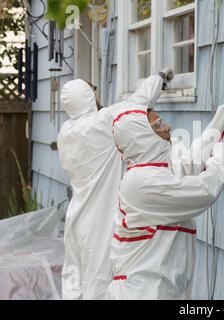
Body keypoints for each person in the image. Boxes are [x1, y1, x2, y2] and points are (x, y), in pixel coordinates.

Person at [106, 69, 224, 300]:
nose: (168, 127)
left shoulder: (155, 168)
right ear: (143, 137)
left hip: (158, 288)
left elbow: (192, 163)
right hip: (141, 292)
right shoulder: (141, 183)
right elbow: (204, 190)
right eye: (158, 125)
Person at [57, 69, 174, 300]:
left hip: (75, 219)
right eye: (93, 92)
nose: (97, 95)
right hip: (98, 221)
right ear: (88, 98)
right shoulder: (103, 122)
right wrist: (160, 78)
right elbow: (138, 100)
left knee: (73, 282)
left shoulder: (65, 132)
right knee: (97, 284)